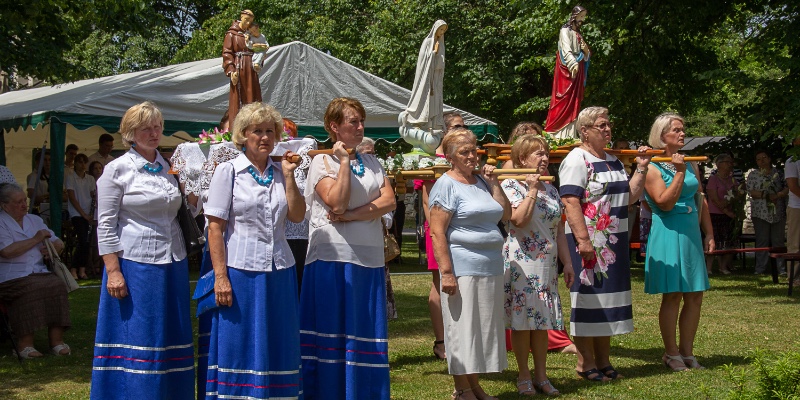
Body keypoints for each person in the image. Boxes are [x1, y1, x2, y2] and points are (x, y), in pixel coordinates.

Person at [90, 101, 194, 399]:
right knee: (141, 334)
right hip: (136, 263)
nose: (154, 132)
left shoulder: (167, 166)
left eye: (158, 126)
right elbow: (105, 225)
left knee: (170, 334)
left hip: (173, 260)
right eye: (146, 127)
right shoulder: (116, 170)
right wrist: (113, 271)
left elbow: (185, 210)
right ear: (130, 133)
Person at [202, 103, 304, 399]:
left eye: (269, 131)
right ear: (242, 136)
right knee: (241, 341)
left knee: (279, 339)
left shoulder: (280, 171)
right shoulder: (228, 171)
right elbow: (215, 229)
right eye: (256, 131)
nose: (264, 137)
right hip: (241, 271)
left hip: (280, 270)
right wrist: (220, 277)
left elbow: (297, 216)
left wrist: (290, 177)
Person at [300, 97, 396, 400]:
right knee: (335, 330)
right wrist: (343, 162)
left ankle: (364, 392)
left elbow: (389, 202)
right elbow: (336, 201)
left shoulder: (371, 162)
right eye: (352, 121)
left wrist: (352, 215)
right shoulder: (321, 161)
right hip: (333, 257)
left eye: (361, 120)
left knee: (364, 330)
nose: (360, 126)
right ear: (334, 127)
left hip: (369, 256)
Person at [559, 106, 650, 382]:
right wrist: (583, 240)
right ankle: (585, 362)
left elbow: (630, 198)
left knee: (607, 301)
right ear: (584, 131)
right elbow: (570, 200)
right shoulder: (577, 159)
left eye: (609, 124)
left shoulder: (613, 160)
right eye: (601, 125)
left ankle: (604, 361)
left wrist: (642, 169)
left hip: (613, 241)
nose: (608, 129)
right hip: (587, 240)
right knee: (588, 300)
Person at [429, 128, 511, 400]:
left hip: (490, 266)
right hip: (462, 268)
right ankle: (462, 389)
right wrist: (447, 273)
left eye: (473, 150)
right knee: (462, 329)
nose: (472, 156)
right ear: (450, 157)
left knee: (480, 329)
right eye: (464, 152)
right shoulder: (446, 184)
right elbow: (437, 231)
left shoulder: (481, 181)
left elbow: (506, 213)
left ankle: (474, 386)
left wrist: (494, 182)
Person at [502, 134, 572, 396]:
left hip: (547, 264)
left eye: (546, 153)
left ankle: (542, 376)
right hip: (522, 262)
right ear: (522, 158)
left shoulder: (552, 188)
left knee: (542, 321)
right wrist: (531, 189)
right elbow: (518, 220)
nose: (544, 158)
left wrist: (568, 263)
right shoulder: (511, 185)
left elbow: (558, 229)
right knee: (523, 321)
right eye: (537, 153)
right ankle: (523, 376)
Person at [644, 113, 713, 371]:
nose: (682, 133)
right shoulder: (653, 166)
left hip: (690, 230)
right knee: (672, 294)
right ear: (662, 136)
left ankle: (688, 352)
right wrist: (680, 173)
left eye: (683, 129)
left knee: (695, 294)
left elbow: (700, 198)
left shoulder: (689, 161)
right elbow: (664, 202)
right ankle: (671, 353)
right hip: (668, 229)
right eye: (676, 129)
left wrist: (709, 233)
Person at [0, 183, 70, 359]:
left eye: (24, 200)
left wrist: (53, 247)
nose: (24, 205)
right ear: (4, 205)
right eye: (18, 202)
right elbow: (7, 251)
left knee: (57, 285)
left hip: (38, 271)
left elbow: (59, 242)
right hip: (10, 275)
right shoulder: (1, 222)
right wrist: (36, 239)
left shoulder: (34, 220)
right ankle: (25, 345)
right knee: (30, 288)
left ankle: (56, 342)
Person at [418, 111, 464, 360]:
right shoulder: (431, 160)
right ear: (444, 131)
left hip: (462, 229)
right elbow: (427, 201)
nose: (460, 130)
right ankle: (441, 341)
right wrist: (439, 232)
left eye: (463, 126)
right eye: (456, 126)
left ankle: (460, 335)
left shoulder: (465, 158)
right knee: (439, 282)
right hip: (439, 229)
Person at [399, 20, 448, 154]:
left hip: (435, 82)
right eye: (440, 29)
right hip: (425, 81)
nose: (441, 32)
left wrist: (438, 56)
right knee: (422, 101)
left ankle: (430, 124)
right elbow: (423, 61)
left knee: (434, 104)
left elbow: (440, 66)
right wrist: (433, 54)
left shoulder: (440, 45)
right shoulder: (427, 42)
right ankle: (418, 122)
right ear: (435, 29)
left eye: (444, 30)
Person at [545, 6, 590, 139]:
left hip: (578, 69)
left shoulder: (578, 34)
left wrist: (586, 51)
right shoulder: (565, 30)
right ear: (574, 16)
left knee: (575, 100)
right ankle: (556, 132)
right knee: (562, 98)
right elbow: (565, 49)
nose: (582, 19)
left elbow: (586, 54)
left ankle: (570, 134)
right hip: (567, 70)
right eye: (581, 16)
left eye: (583, 16)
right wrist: (572, 62)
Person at [746, 150, 789, 275]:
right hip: (760, 212)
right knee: (762, 241)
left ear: (769, 159)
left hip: (777, 212)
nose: (762, 161)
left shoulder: (779, 173)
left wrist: (778, 195)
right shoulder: (753, 174)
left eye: (764, 157)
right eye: (759, 159)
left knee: (778, 240)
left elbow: (787, 187)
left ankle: (781, 269)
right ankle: (760, 269)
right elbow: (751, 191)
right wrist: (766, 195)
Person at [704, 153, 743, 275]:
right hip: (715, 215)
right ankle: (709, 268)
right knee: (714, 241)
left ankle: (723, 266)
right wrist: (726, 210)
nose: (730, 164)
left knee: (729, 241)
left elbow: (738, 194)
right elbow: (714, 199)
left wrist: (734, 206)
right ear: (719, 164)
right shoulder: (713, 179)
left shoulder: (733, 180)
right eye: (727, 162)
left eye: (731, 162)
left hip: (730, 215)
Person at [223, 9, 262, 126]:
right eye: (246, 20)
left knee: (253, 96)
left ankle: (255, 125)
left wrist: (260, 60)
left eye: (250, 21)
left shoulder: (252, 35)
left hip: (251, 68)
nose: (248, 23)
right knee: (239, 96)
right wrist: (231, 71)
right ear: (241, 17)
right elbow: (227, 53)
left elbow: (258, 50)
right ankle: (239, 127)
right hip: (239, 68)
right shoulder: (231, 34)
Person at [65, 153, 95, 280]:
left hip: (88, 213)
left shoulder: (90, 179)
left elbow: (93, 195)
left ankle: (82, 269)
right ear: (75, 163)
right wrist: (83, 214)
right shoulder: (70, 177)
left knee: (87, 242)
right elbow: (72, 197)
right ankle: (73, 268)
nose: (82, 165)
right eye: (80, 162)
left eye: (84, 162)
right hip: (77, 214)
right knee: (82, 240)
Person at [785, 136, 800, 286]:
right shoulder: (792, 161)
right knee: (795, 242)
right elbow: (793, 186)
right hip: (797, 207)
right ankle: (794, 277)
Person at [88, 161, 104, 276]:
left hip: (102, 215)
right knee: (93, 241)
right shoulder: (90, 181)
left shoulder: (104, 181)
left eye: (100, 168)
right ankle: (93, 265)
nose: (98, 170)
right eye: (95, 168)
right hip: (92, 214)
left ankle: (101, 264)